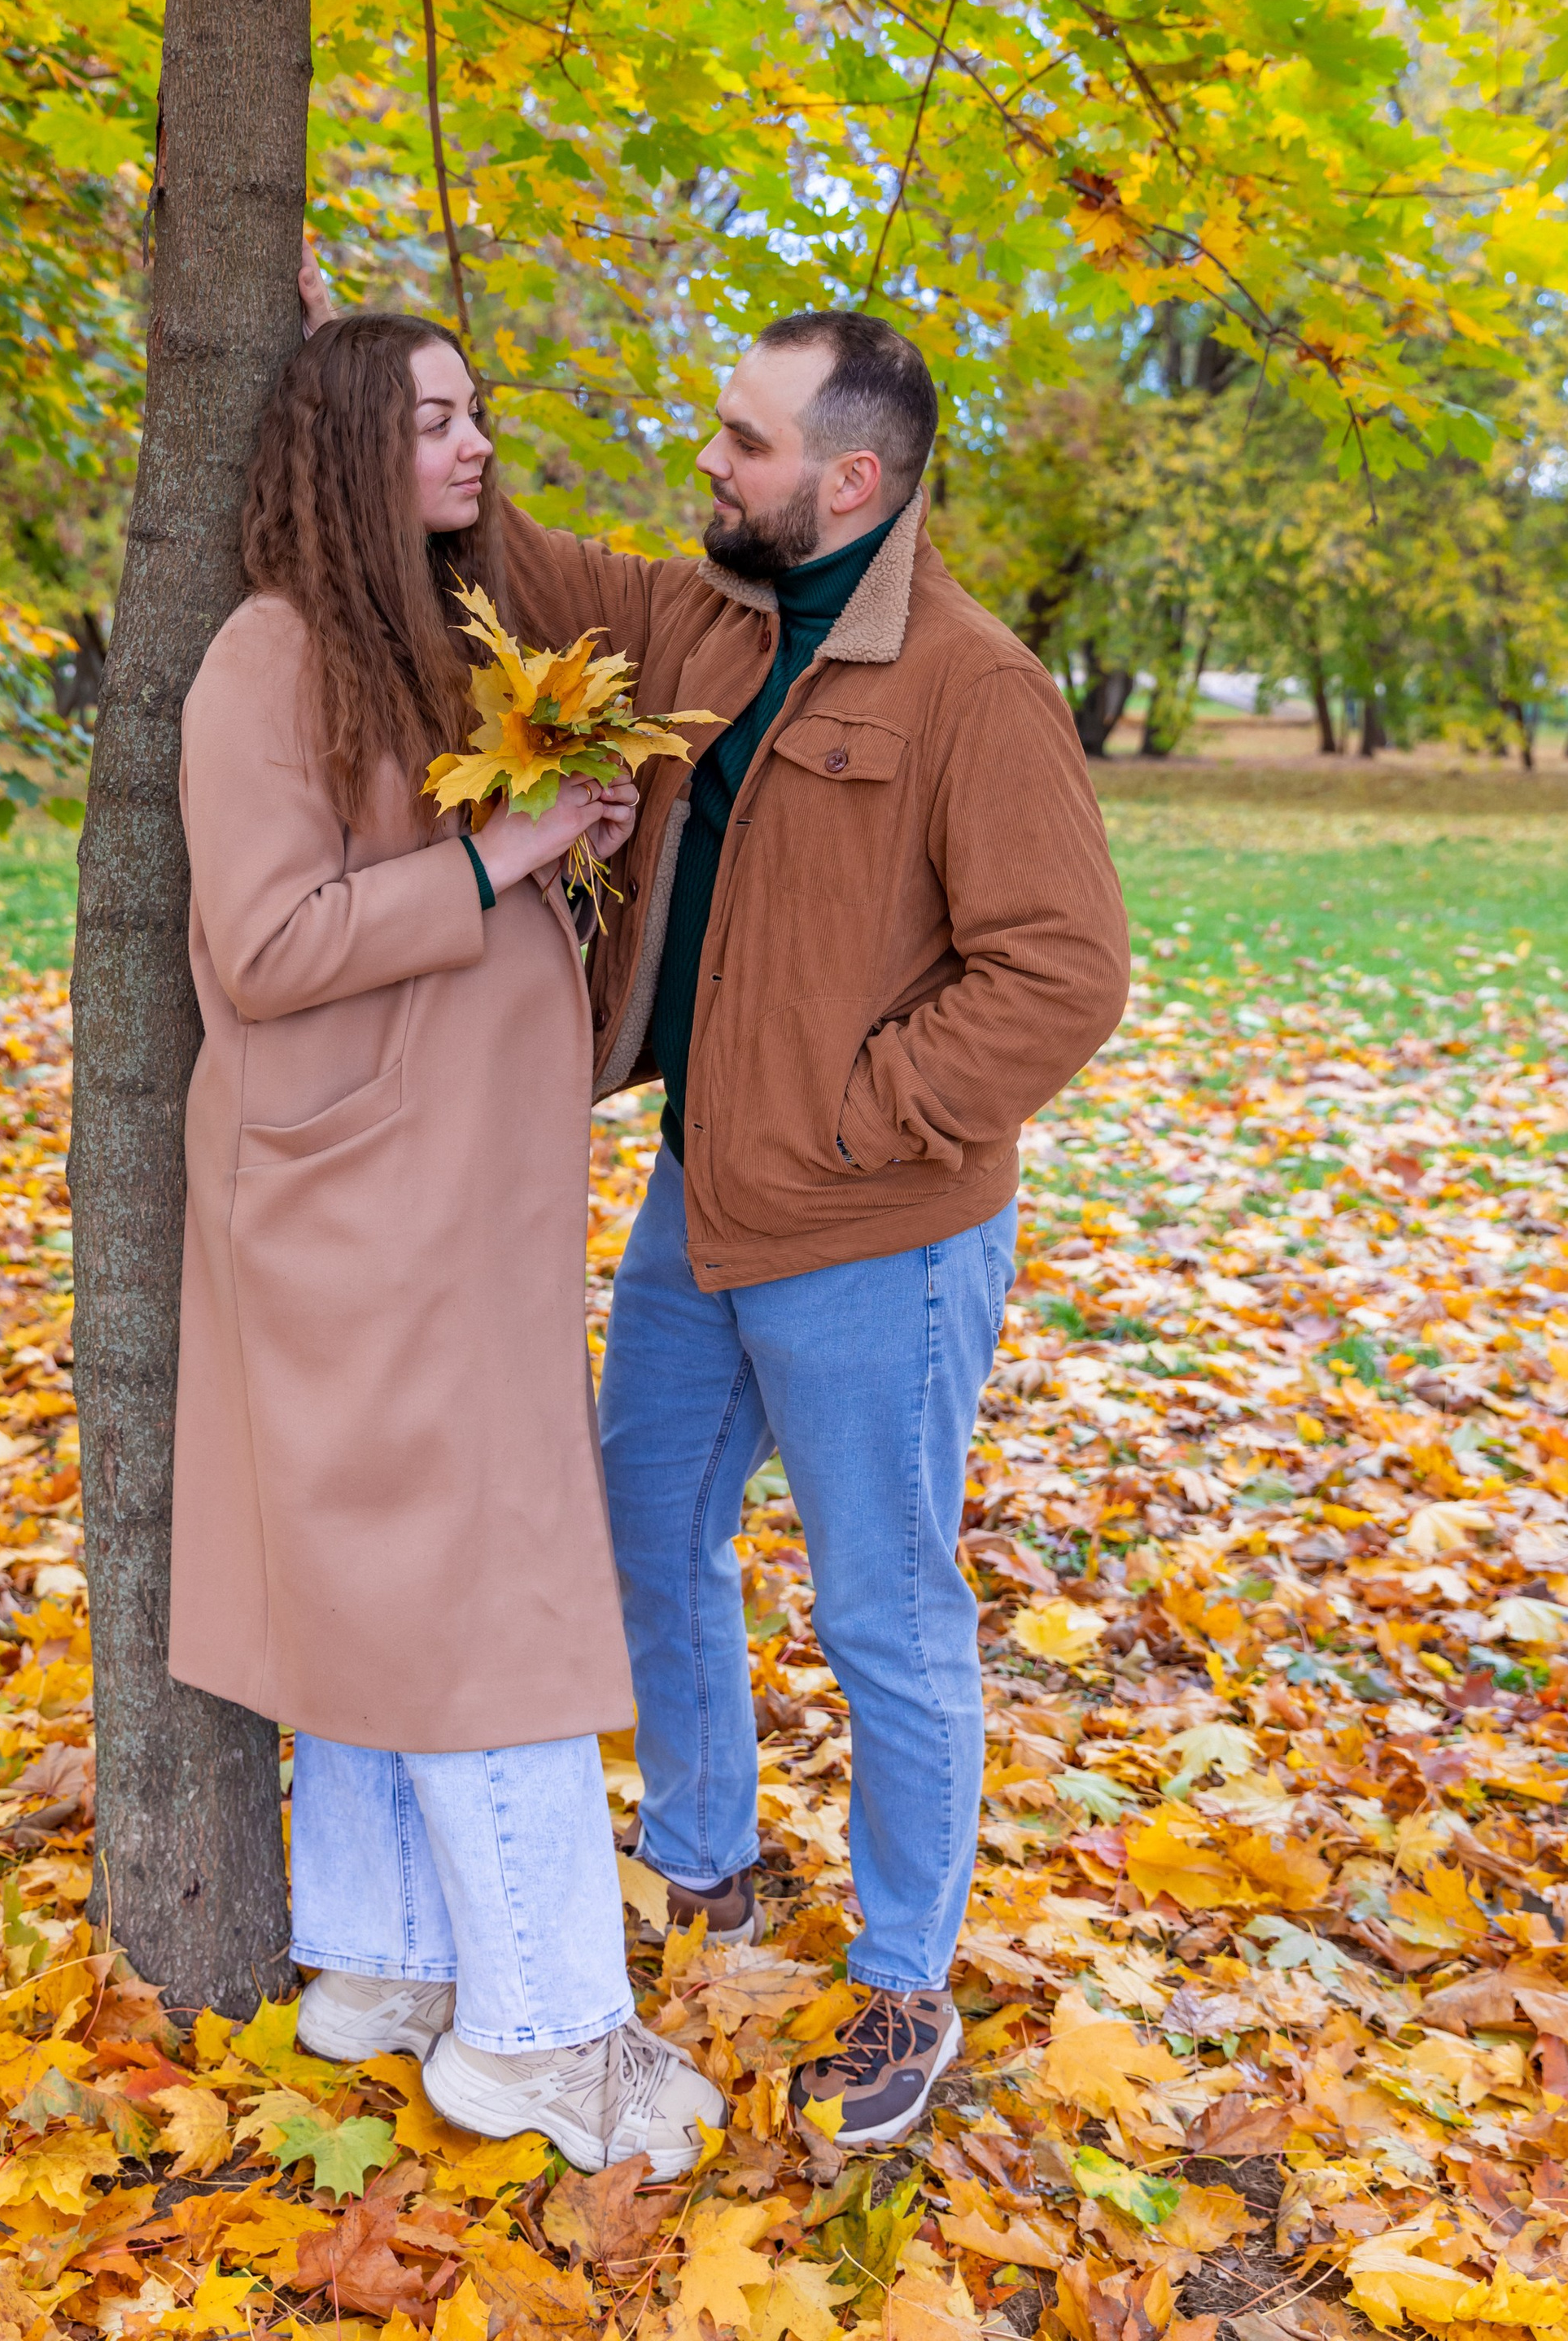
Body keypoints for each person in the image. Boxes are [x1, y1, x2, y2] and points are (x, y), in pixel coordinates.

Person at [300, 273, 1129, 2147]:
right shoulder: (709, 615)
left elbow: (1062, 974)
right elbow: (507, 555)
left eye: (740, 440)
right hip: (700, 1208)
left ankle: (904, 1983)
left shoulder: (969, 688)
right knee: (641, 1533)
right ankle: (706, 1863)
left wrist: (858, 1119)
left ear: (845, 484)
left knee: (883, 1615)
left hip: (876, 1236)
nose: (707, 456)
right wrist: (345, 366)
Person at [169, 311, 723, 2177]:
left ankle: (393, 1964)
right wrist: (494, 864)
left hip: (450, 1209)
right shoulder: (270, 657)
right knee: (481, 1599)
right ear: (343, 451)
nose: (473, 443)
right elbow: (261, 945)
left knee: (407, 1587)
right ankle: (546, 2035)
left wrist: (566, 838)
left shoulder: (431, 637)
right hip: (358, 1212)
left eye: (476, 410)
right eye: (430, 419)